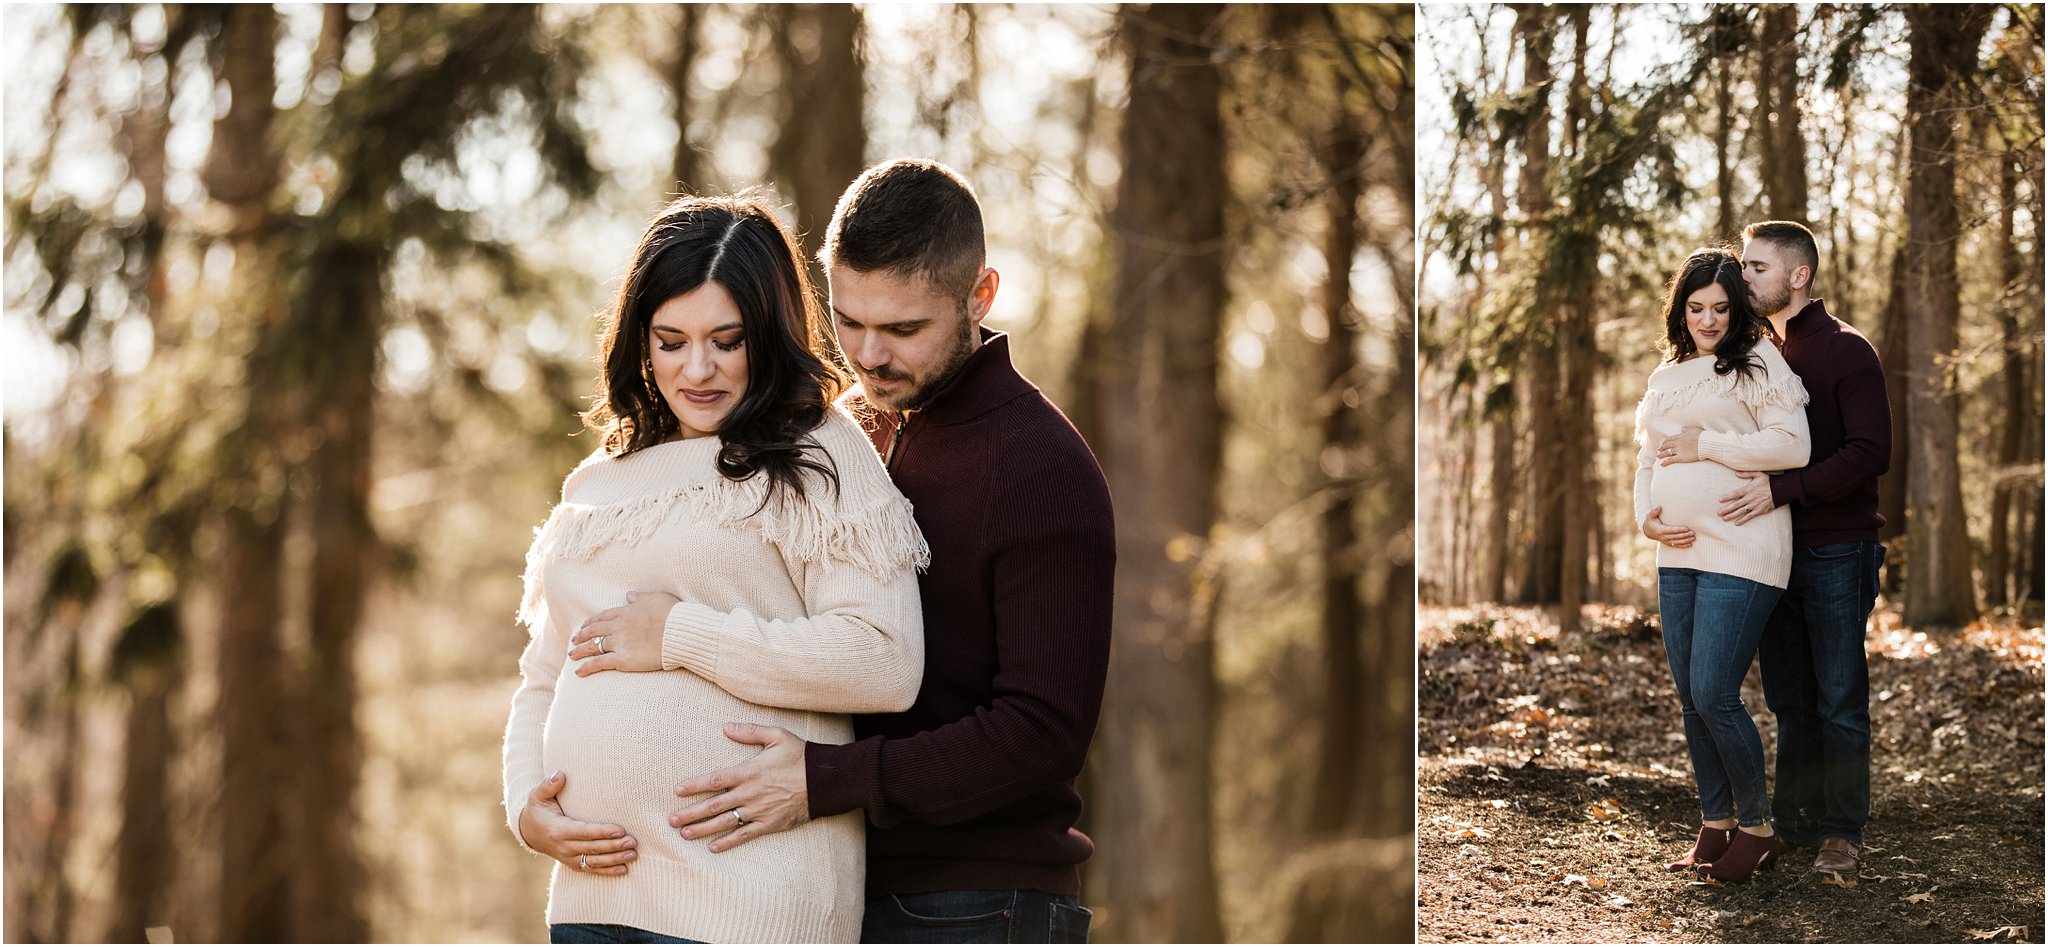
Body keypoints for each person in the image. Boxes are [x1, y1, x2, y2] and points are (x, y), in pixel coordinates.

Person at [586, 158, 1115, 943]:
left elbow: (1042, 732)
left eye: (903, 329)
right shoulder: (840, 436)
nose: (867, 356)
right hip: (831, 883)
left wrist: (823, 779)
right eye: (848, 320)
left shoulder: (1039, 465)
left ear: (981, 297)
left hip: (980, 902)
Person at [501, 194, 930, 944]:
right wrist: (525, 807)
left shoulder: (818, 451)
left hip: (747, 901)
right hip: (594, 900)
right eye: (671, 340)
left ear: (767, 336)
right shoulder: (598, 481)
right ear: (641, 339)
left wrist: (681, 635)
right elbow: (544, 675)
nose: (697, 369)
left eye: (726, 341)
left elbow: (886, 658)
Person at [1716, 219, 1891, 887]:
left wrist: (1782, 490)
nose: (1745, 277)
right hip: (1770, 550)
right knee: (1789, 696)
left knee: (1839, 696)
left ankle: (1843, 833)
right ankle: (1794, 821)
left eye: (1757, 267)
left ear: (1799, 275)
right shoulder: (1754, 352)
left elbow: (1870, 454)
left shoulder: (1848, 350)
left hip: (1838, 549)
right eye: (1744, 265)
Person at [1634, 246, 1811, 883]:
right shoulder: (1666, 377)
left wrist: (1706, 444)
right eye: (1696, 307)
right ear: (1681, 310)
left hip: (1745, 545)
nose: (1708, 320)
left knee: (1714, 691)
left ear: (1737, 311)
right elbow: (1649, 462)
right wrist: (1645, 517)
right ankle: (1716, 821)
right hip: (1677, 549)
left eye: (1720, 308)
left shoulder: (1760, 361)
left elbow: (1794, 446)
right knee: (1690, 698)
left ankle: (1759, 828)